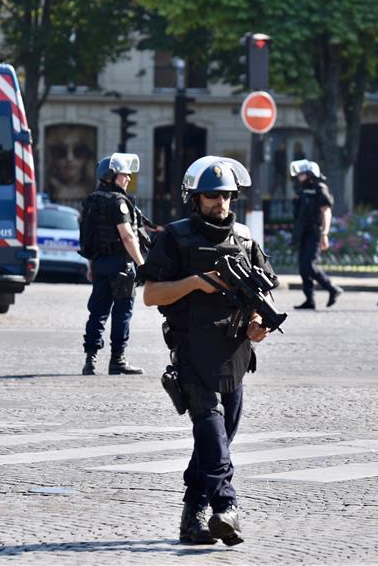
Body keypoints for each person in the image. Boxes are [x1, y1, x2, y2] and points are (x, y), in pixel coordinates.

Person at [140, 156, 279, 547]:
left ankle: (193, 515)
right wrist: (198, 282)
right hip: (191, 347)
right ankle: (226, 506)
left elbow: (261, 291)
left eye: (227, 196)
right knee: (210, 427)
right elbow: (151, 294)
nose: (221, 204)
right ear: (195, 198)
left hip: (234, 350)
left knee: (223, 432)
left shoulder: (244, 237)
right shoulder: (175, 237)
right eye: (212, 196)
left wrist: (259, 323)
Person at [79, 153, 145, 375]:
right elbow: (127, 237)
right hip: (121, 265)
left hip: (99, 263)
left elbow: (90, 236)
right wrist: (141, 264)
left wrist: (91, 264)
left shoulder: (92, 200)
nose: (127, 179)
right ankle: (118, 359)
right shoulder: (119, 202)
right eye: (124, 175)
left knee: (97, 312)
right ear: (112, 176)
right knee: (122, 312)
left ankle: (91, 359)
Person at [290, 159, 343, 309]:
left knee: (309, 265)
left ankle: (332, 288)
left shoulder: (320, 188)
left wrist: (324, 234)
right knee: (303, 268)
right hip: (303, 233)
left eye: (302, 173)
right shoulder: (302, 190)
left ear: (310, 174)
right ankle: (309, 299)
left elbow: (326, 212)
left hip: (315, 233)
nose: (298, 176)